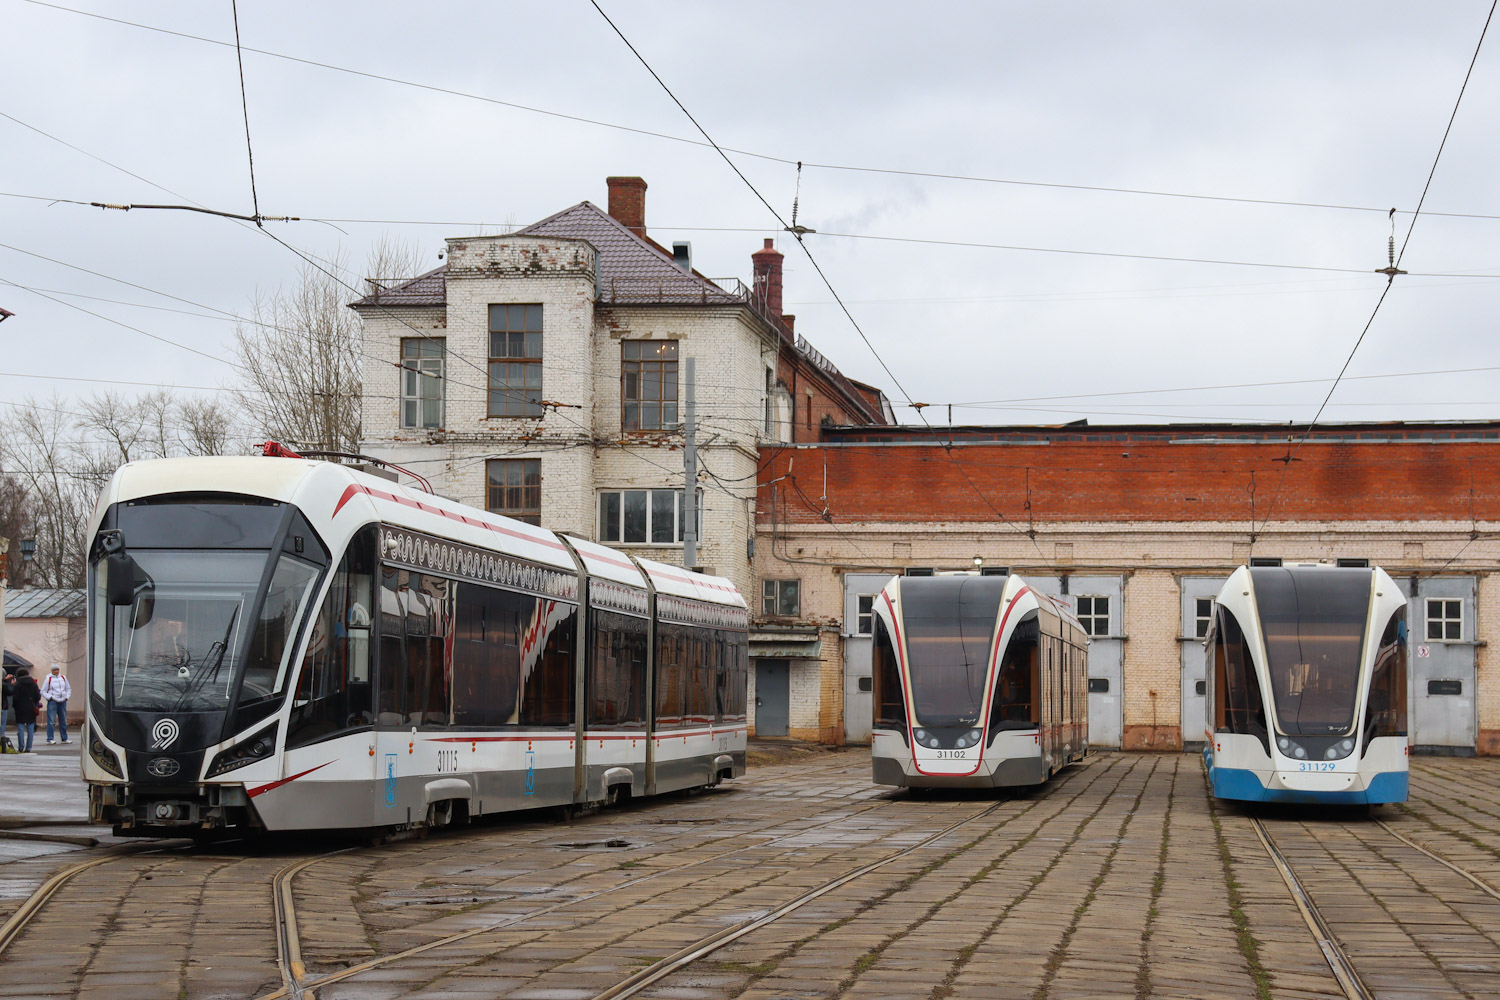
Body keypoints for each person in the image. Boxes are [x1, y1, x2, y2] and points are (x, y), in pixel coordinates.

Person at [11, 668, 41, 754]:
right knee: (30, 728)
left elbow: (15, 698)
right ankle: (28, 748)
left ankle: (21, 747)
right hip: (31, 708)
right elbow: (38, 696)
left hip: (20, 708)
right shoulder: (33, 683)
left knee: (20, 728)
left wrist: (15, 707)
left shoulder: (18, 684)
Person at [41, 665, 72, 745]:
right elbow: (43, 691)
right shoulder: (49, 679)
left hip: (63, 701)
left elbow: (68, 688)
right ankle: (50, 738)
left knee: (63, 720)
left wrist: (67, 697)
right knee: (51, 721)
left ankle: (64, 738)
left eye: (57, 670)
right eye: (54, 670)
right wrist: (50, 697)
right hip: (53, 701)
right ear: (52, 671)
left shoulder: (63, 678)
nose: (56, 671)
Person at [1, 670, 13, 753]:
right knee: (2, 724)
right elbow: (10, 692)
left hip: (3, 706)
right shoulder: (4, 685)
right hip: (3, 706)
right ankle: (1, 738)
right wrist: (12, 685)